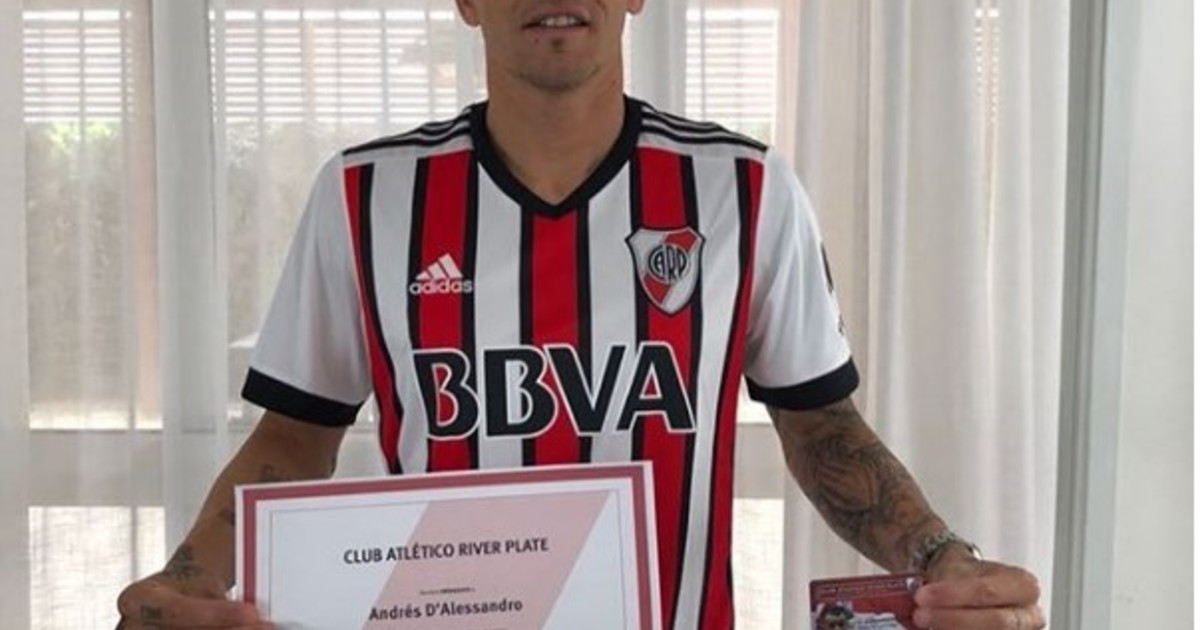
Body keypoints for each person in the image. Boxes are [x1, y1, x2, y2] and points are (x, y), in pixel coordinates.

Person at [116, 1, 1045, 629]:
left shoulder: (745, 189)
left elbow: (821, 426)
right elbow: (294, 435)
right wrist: (190, 581)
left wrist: (941, 556)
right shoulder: (365, 195)